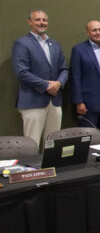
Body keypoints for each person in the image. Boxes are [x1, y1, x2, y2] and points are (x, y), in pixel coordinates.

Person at [11, 10, 68, 148]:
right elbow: (22, 72)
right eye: (38, 20)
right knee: (32, 144)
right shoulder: (22, 43)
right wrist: (46, 86)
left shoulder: (55, 44)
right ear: (30, 22)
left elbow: (64, 69)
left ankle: (52, 169)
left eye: (44, 20)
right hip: (33, 101)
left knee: (53, 144)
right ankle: (32, 170)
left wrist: (59, 83)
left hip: (54, 102)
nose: (41, 23)